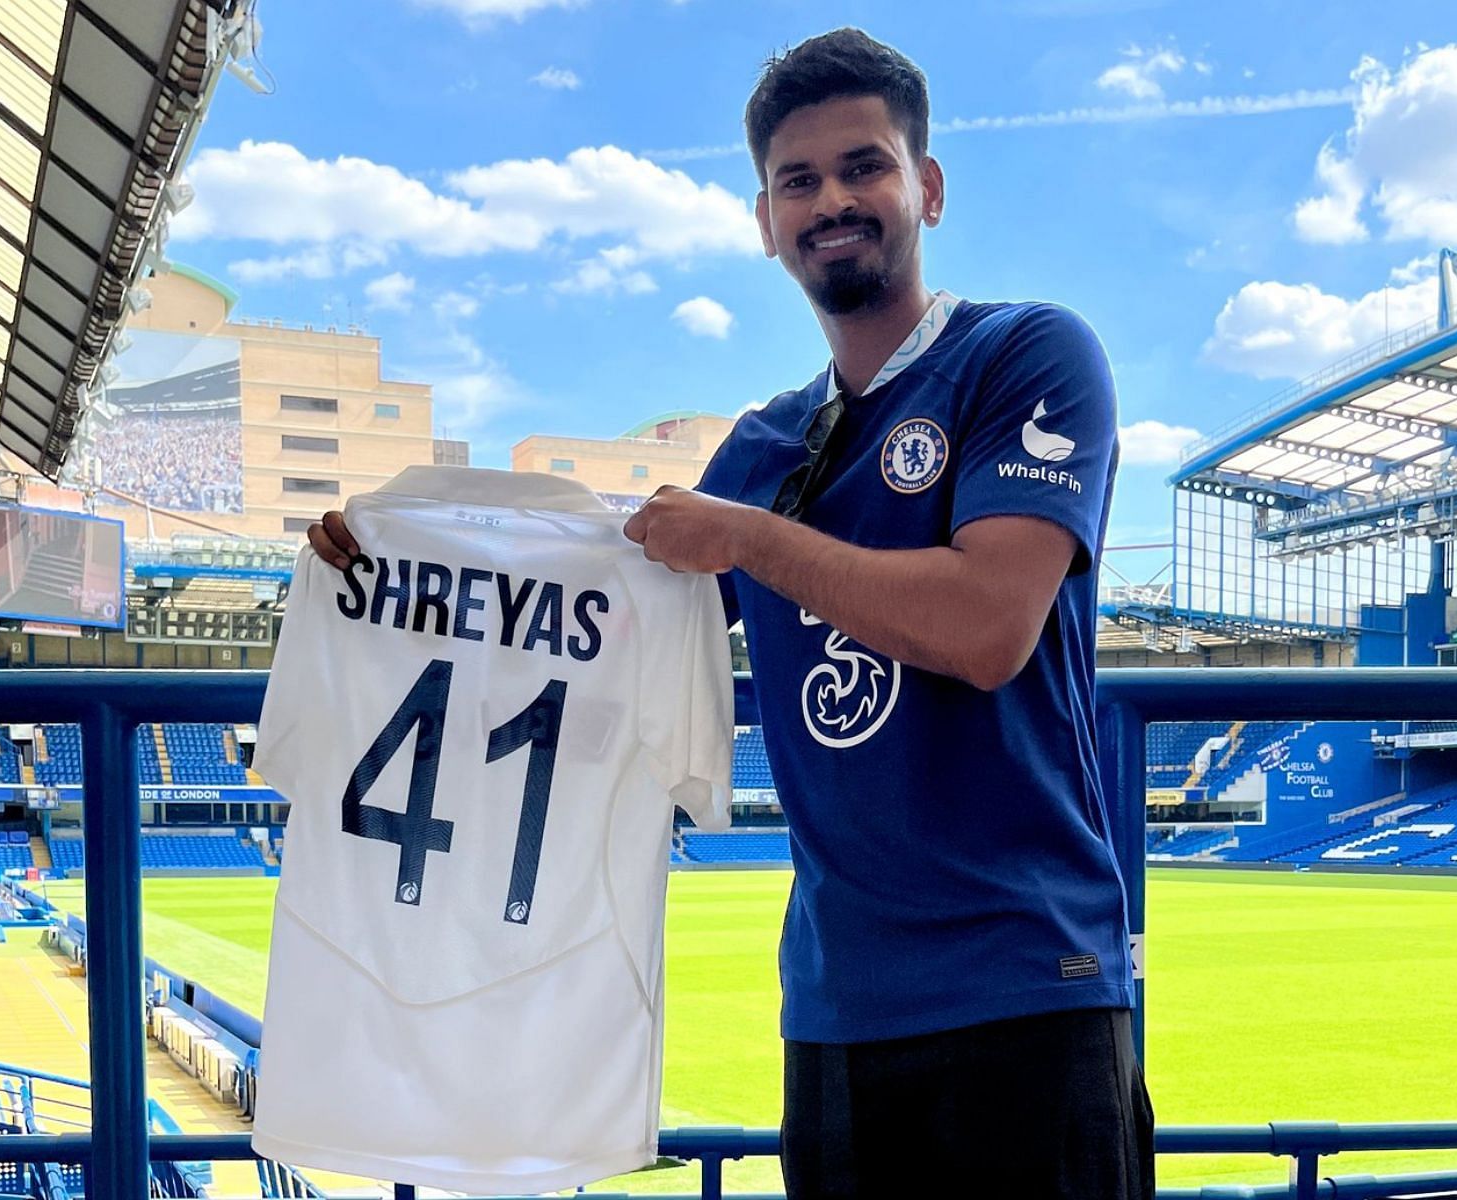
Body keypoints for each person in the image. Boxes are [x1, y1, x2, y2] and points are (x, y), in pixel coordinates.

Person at [309, 27, 1150, 1199]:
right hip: (836, 1007)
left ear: (929, 188)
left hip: (1025, 984)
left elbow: (987, 625)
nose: (831, 201)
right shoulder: (763, 444)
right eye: (796, 182)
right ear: (765, 221)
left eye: (864, 166)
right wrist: (387, 571)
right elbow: (584, 631)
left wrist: (747, 537)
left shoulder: (1028, 355)